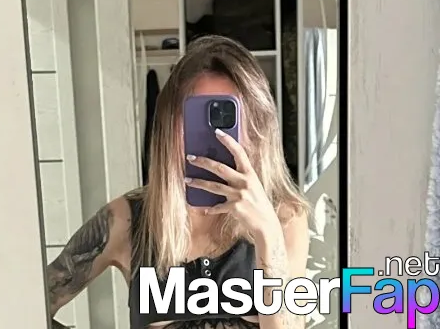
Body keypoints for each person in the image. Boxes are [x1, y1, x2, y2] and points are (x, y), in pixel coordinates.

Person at [49, 35, 310, 329]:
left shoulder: (285, 219)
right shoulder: (127, 220)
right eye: (198, 120)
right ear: (168, 124)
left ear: (258, 129)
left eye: (231, 120)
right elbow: (31, 301)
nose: (218, 138)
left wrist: (268, 236)